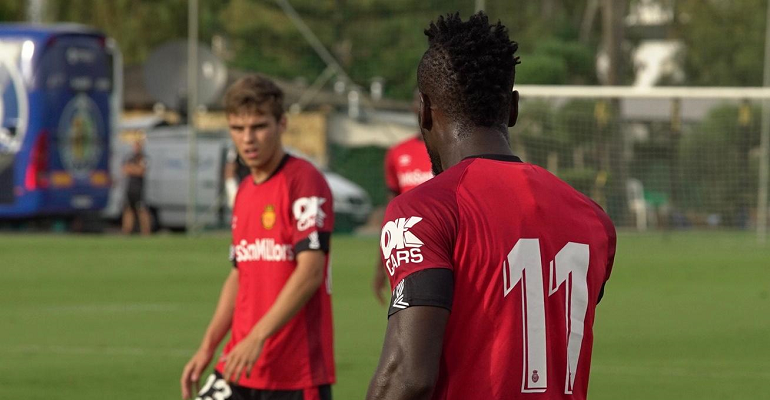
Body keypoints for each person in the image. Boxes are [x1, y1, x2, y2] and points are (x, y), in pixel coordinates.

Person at [366, 12, 616, 400]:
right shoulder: (594, 219)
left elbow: (408, 375)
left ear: (425, 111)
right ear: (512, 109)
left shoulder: (424, 208)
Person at [181, 75, 335, 400]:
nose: (248, 139)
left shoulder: (304, 182)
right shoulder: (244, 191)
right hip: (238, 364)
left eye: (259, 126)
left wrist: (258, 336)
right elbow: (240, 275)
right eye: (238, 128)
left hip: (294, 376)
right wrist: (208, 347)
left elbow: (310, 272)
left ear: (282, 124)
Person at [372, 90, 433, 304]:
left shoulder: (451, 152)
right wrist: (380, 265)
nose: (423, 107)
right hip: (408, 251)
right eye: (419, 101)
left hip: (445, 246)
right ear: (412, 108)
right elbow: (392, 212)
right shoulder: (397, 153)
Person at [121, 139, 151, 235]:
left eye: (137, 146)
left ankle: (146, 232)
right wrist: (135, 168)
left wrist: (132, 169)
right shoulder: (129, 157)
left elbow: (141, 171)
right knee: (128, 209)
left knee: (141, 210)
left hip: (139, 189)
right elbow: (125, 170)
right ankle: (126, 231)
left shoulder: (144, 157)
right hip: (130, 188)